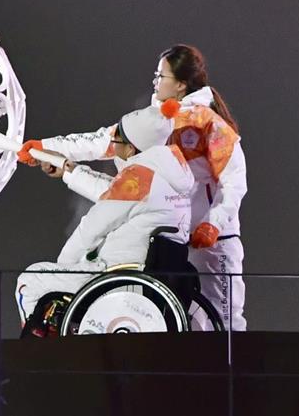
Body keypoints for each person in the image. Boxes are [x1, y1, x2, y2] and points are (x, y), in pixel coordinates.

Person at [18, 45, 247, 331]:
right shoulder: (154, 121)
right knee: (186, 324)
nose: (155, 81)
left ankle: (236, 363)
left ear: (180, 84)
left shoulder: (208, 125)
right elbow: (105, 145)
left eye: (161, 76)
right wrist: (47, 147)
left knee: (225, 320)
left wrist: (213, 224)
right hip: (171, 237)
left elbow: (234, 182)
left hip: (211, 240)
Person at [15, 104, 194, 336]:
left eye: (116, 141)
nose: (112, 145)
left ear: (131, 148)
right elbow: (114, 194)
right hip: (148, 274)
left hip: (115, 275)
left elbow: (93, 226)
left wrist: (65, 265)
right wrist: (70, 170)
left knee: (31, 280)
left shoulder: (138, 178)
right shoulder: (169, 177)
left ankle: (40, 347)